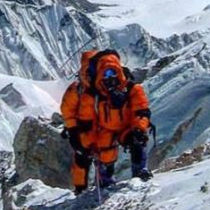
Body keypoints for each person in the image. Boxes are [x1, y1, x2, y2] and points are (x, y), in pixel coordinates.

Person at [60, 49, 153, 194]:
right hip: (105, 130)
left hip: (126, 128)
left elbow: (140, 111)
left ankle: (140, 172)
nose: (110, 78)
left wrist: (139, 128)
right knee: (101, 153)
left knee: (138, 141)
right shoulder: (92, 94)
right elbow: (86, 121)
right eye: (105, 74)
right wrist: (79, 136)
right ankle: (101, 182)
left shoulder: (130, 89)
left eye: (113, 73)